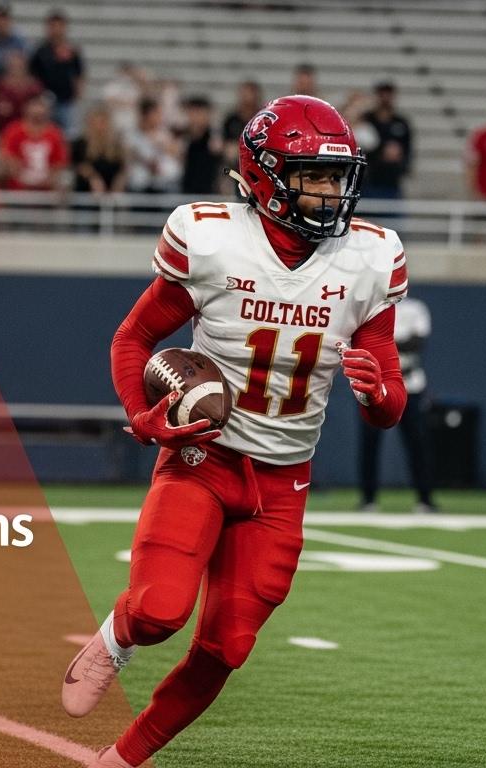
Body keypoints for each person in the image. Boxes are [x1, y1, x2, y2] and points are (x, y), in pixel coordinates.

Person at [61, 95, 408, 768]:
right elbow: (134, 338)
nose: (331, 192)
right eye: (313, 175)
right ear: (262, 176)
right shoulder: (213, 239)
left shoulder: (370, 257)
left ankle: (122, 758)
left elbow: (386, 388)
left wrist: (381, 397)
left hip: (284, 480)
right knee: (160, 611)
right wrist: (141, 414)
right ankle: (115, 639)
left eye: (338, 177)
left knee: (228, 647)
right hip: (203, 457)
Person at [359, 294, 435, 513]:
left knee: (417, 442)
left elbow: (417, 342)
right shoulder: (371, 306)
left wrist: (384, 342)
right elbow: (363, 340)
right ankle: (368, 498)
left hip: (410, 383)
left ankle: (425, 498)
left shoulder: (415, 307)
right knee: (369, 442)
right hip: (374, 384)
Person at [29, 9, 85, 135]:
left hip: (66, 101)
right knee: (47, 133)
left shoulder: (72, 51)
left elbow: (79, 73)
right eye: (53, 26)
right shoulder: (40, 51)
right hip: (46, 101)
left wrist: (77, 95)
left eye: (59, 26)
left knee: (69, 134)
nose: (56, 30)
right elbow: (32, 75)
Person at [0, 94, 67, 190]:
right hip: (17, 185)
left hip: (47, 187)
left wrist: (46, 180)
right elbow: (7, 156)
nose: (37, 110)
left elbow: (59, 163)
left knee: (65, 180)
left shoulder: (55, 134)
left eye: (40, 106)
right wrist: (22, 176)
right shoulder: (14, 130)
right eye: (34, 106)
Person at [359, 81, 413, 201]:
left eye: (388, 94)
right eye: (382, 94)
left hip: (392, 181)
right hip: (369, 180)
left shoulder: (401, 123)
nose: (385, 98)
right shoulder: (367, 120)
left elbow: (408, 149)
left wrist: (402, 166)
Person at [0, 50, 43, 144]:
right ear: (7, 67)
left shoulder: (34, 88)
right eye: (13, 66)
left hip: (26, 138)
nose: (16, 69)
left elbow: (41, 116)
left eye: (19, 66)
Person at [125, 97, 181, 194]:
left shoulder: (165, 134)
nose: (160, 117)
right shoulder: (131, 136)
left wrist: (162, 146)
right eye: (157, 113)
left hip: (164, 184)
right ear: (145, 115)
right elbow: (128, 156)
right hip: (140, 184)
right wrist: (148, 163)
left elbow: (176, 153)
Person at [72, 105, 127, 195]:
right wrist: (93, 177)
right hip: (87, 191)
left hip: (111, 192)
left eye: (103, 122)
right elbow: (78, 165)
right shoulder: (80, 143)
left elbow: (122, 169)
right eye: (96, 123)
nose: (100, 127)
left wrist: (119, 182)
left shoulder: (116, 145)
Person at [179, 96, 221, 195]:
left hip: (209, 193)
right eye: (192, 113)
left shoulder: (214, 137)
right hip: (186, 192)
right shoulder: (182, 137)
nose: (195, 118)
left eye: (199, 113)